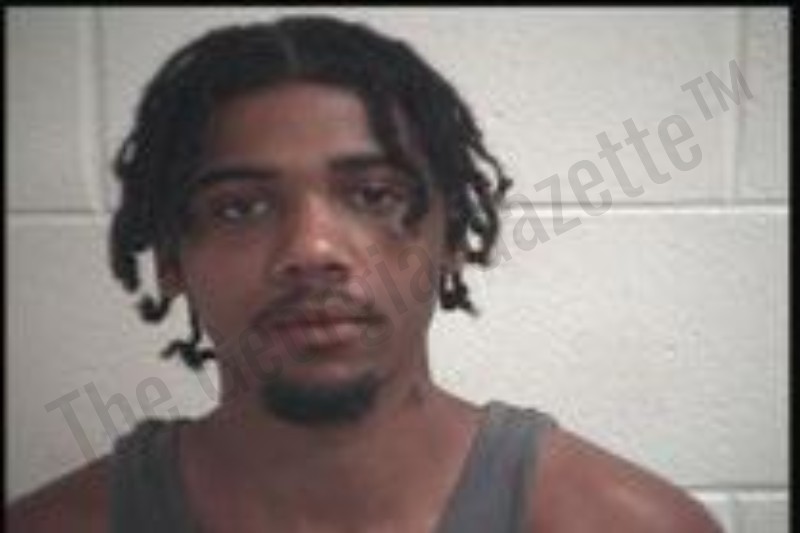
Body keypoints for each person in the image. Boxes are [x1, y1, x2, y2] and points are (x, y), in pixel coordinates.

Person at [7, 15, 722, 533]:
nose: (312, 248)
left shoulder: (622, 523)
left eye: (375, 195)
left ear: (452, 239)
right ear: (170, 262)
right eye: (240, 207)